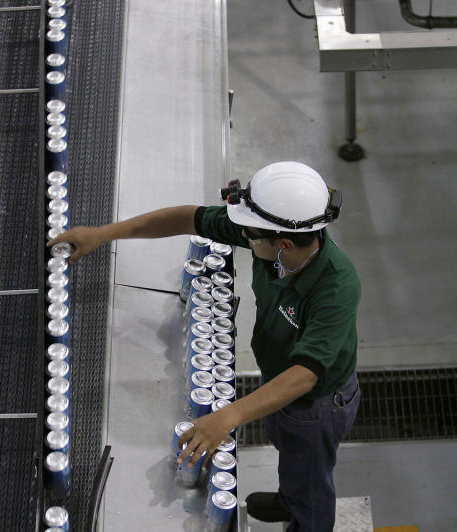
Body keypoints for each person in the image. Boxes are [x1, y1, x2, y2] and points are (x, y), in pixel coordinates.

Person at [48, 161, 361, 532]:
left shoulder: (336, 286)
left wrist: (226, 417)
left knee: (311, 476)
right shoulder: (268, 236)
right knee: (289, 450)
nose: (243, 236)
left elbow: (304, 376)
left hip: (317, 405)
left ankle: (305, 518)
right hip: (278, 380)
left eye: (250, 235)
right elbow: (186, 219)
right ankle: (288, 497)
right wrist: (105, 233)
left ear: (284, 244)